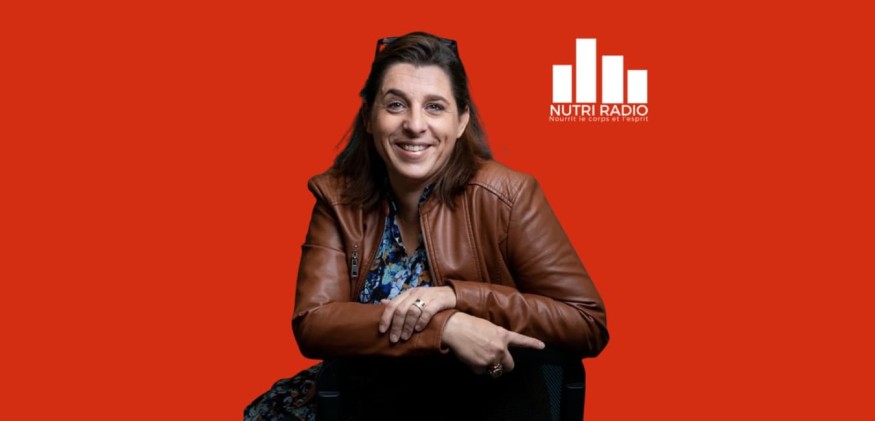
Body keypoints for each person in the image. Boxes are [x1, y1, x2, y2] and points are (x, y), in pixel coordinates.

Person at [245, 32, 608, 421]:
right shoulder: (338, 197)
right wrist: (445, 326)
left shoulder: (507, 195)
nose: (415, 124)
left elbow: (586, 323)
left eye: (435, 107)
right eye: (396, 104)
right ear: (369, 118)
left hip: (479, 407)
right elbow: (314, 322)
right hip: (364, 403)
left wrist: (457, 298)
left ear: (461, 120)